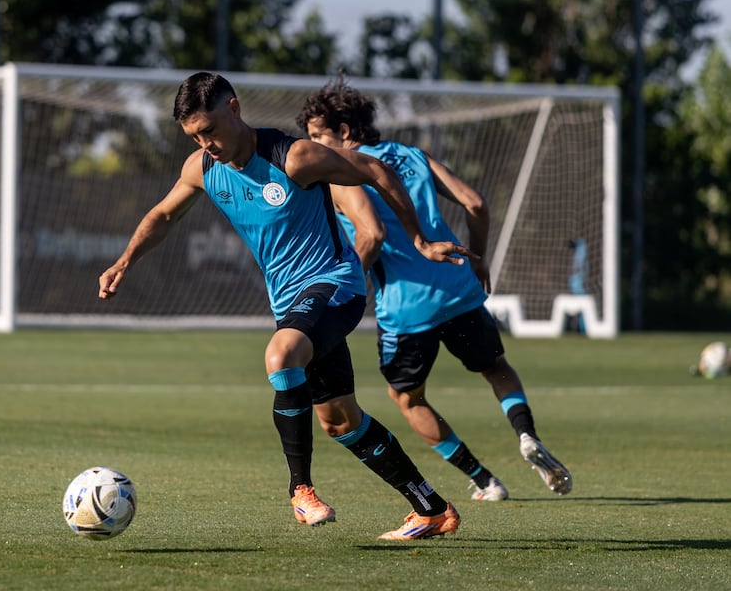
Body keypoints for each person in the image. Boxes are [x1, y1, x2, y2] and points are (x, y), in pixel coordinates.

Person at [99, 71, 473, 540]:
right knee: (339, 421)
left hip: (336, 285)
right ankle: (431, 510)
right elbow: (164, 214)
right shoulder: (203, 169)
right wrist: (124, 262)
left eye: (209, 130)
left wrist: (419, 238)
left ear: (233, 109)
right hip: (290, 302)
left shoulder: (295, 157)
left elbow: (376, 171)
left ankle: (300, 489)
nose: (205, 143)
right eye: (194, 136)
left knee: (280, 356)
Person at [295, 75, 572, 501]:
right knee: (496, 368)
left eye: (317, 136)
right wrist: (477, 258)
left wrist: (342, 285)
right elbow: (475, 203)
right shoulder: (411, 154)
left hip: (407, 309)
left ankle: (483, 480)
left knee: (407, 399)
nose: (312, 146)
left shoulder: (343, 173)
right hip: (459, 286)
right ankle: (526, 435)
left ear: (345, 133)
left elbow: (370, 235)